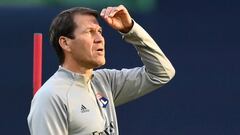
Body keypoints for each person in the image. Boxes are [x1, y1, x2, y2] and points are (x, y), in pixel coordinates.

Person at [27, 5, 175, 135]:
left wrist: (130, 30)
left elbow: (161, 73)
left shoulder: (105, 82)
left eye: (99, 31)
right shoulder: (50, 97)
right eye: (90, 32)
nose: (100, 38)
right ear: (65, 43)